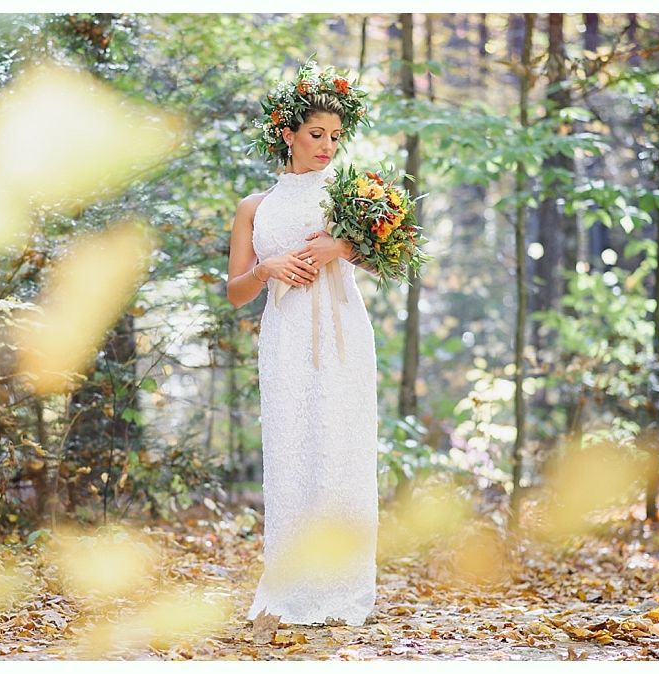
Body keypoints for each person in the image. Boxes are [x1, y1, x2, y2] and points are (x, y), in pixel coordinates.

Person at [226, 60, 379, 627]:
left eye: (336, 137)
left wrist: (339, 249)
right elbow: (236, 293)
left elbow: (387, 248)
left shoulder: (350, 193)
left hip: (342, 333)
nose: (327, 146)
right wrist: (267, 268)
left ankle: (343, 589)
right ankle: (289, 588)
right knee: (291, 451)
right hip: (286, 338)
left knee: (340, 450)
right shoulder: (253, 208)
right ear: (287, 134)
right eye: (317, 134)